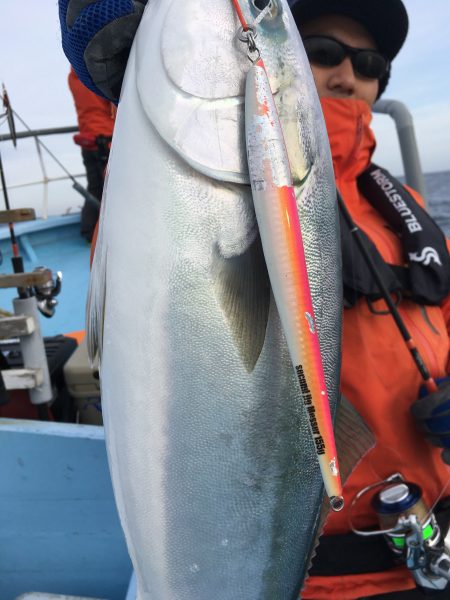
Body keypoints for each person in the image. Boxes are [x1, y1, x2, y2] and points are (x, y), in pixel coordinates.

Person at [59, 1, 450, 598]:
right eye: (323, 53)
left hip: (428, 550)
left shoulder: (408, 214)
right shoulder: (203, 169)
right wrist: (122, 76)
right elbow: (160, 290)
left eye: (369, 62)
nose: (348, 74)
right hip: (299, 573)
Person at [68, 67, 115, 241]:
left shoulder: (73, 78)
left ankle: (88, 231)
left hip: (88, 141)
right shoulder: (97, 77)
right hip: (106, 140)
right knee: (112, 188)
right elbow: (113, 106)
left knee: (95, 187)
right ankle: (98, 233)